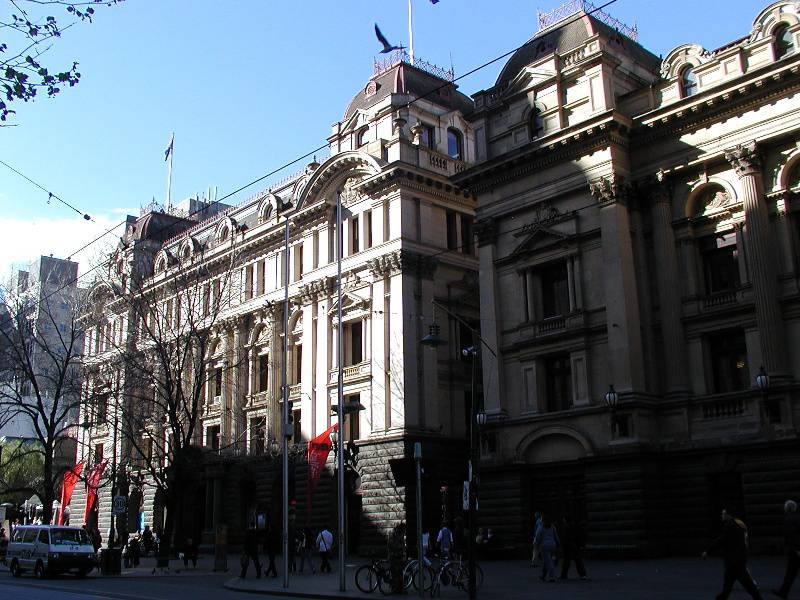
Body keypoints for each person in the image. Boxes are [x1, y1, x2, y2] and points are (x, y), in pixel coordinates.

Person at [702, 506, 764, 600]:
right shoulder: (740, 523)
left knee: (746, 584)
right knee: (729, 584)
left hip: (734, 561)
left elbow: (721, 540)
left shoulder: (729, 525)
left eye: (723, 514)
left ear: (728, 515)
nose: (722, 515)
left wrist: (708, 550)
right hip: (740, 557)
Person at [773, 499, 800, 599]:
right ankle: (783, 592)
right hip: (796, 548)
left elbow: (792, 535)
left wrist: (796, 548)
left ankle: (783, 592)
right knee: (791, 572)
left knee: (790, 572)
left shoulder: (789, 519)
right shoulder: (797, 517)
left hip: (795, 549)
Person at [559, 515, 587, 580]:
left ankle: (564, 575)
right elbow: (579, 536)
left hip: (569, 545)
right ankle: (582, 574)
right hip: (574, 545)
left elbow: (565, 537)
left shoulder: (566, 527)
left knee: (567, 561)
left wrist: (562, 545)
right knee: (577, 560)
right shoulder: (575, 526)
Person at [534, 514, 559, 582]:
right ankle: (543, 575)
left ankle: (552, 576)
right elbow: (556, 536)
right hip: (553, 545)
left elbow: (538, 538)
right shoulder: (552, 527)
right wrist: (558, 543)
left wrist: (537, 546)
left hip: (544, 546)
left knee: (548, 561)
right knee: (547, 561)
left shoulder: (541, 528)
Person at [387, 522, 407, 593]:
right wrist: (400, 548)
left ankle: (400, 589)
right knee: (395, 573)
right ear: (401, 528)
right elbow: (392, 545)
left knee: (400, 573)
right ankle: (395, 588)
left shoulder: (400, 534)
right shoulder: (394, 534)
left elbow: (402, 545)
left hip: (398, 556)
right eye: (404, 529)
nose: (405, 531)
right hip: (394, 556)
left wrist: (404, 553)